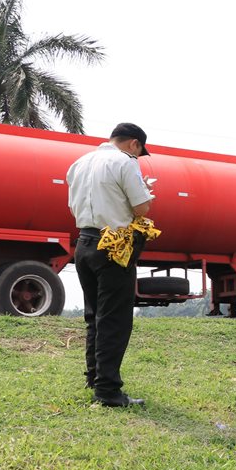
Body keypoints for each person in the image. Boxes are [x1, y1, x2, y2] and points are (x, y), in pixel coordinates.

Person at [66, 123, 155, 408]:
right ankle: (108, 391)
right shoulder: (125, 162)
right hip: (113, 245)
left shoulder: (79, 163)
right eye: (140, 152)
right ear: (134, 144)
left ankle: (94, 378)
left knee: (94, 316)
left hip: (84, 244)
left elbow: (71, 207)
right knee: (114, 319)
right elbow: (142, 208)